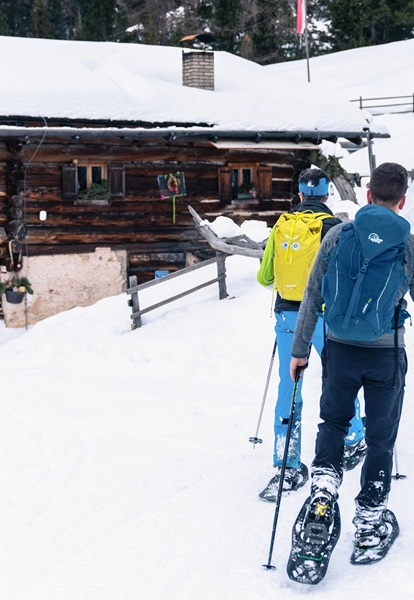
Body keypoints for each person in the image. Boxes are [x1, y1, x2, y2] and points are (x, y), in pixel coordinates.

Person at [290, 162, 413, 562]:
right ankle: (369, 526)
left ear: (368, 195)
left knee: (334, 423)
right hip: (386, 355)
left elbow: (312, 295)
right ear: (403, 200)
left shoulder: (339, 235)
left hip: (339, 350)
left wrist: (300, 350)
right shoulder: (407, 246)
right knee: (380, 440)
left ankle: (324, 490)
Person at [257, 168, 366, 501]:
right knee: (339, 380)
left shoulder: (283, 225)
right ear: (326, 195)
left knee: (289, 388)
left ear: (300, 195)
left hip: (288, 315)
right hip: (326, 316)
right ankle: (353, 438)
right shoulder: (335, 227)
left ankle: (287, 465)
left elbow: (265, 278)